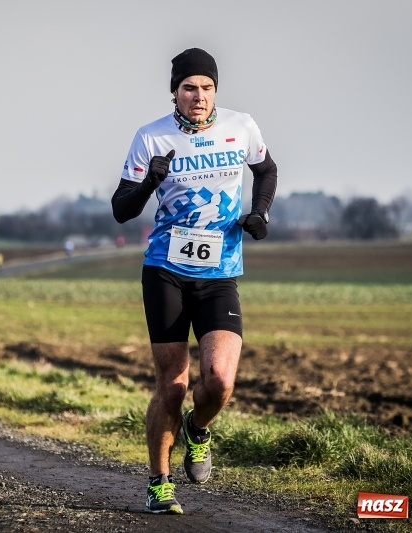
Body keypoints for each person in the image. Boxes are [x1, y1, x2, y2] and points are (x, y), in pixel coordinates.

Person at [111, 47, 278, 515]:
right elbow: (121, 208)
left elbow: (266, 170)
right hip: (165, 270)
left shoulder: (241, 127)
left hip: (219, 272)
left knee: (221, 380)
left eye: (206, 88)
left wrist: (260, 213)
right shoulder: (150, 138)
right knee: (173, 384)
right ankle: (159, 484)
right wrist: (149, 183)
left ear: (215, 91)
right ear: (174, 93)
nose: (198, 96)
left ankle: (198, 431)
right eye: (189, 88)